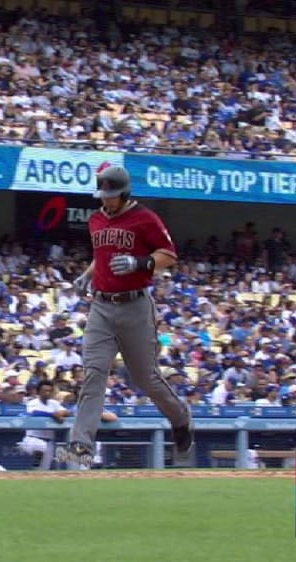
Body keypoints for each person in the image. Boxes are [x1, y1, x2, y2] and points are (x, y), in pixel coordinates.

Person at [57, 166, 193, 467]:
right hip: (101, 307)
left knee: (146, 378)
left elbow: (168, 255)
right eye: (103, 195)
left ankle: (180, 416)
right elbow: (103, 256)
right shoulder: (96, 219)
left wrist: (140, 262)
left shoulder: (144, 218)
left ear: (124, 193)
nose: (106, 201)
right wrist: (86, 275)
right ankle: (80, 447)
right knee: (94, 374)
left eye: (112, 196)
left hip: (135, 307)